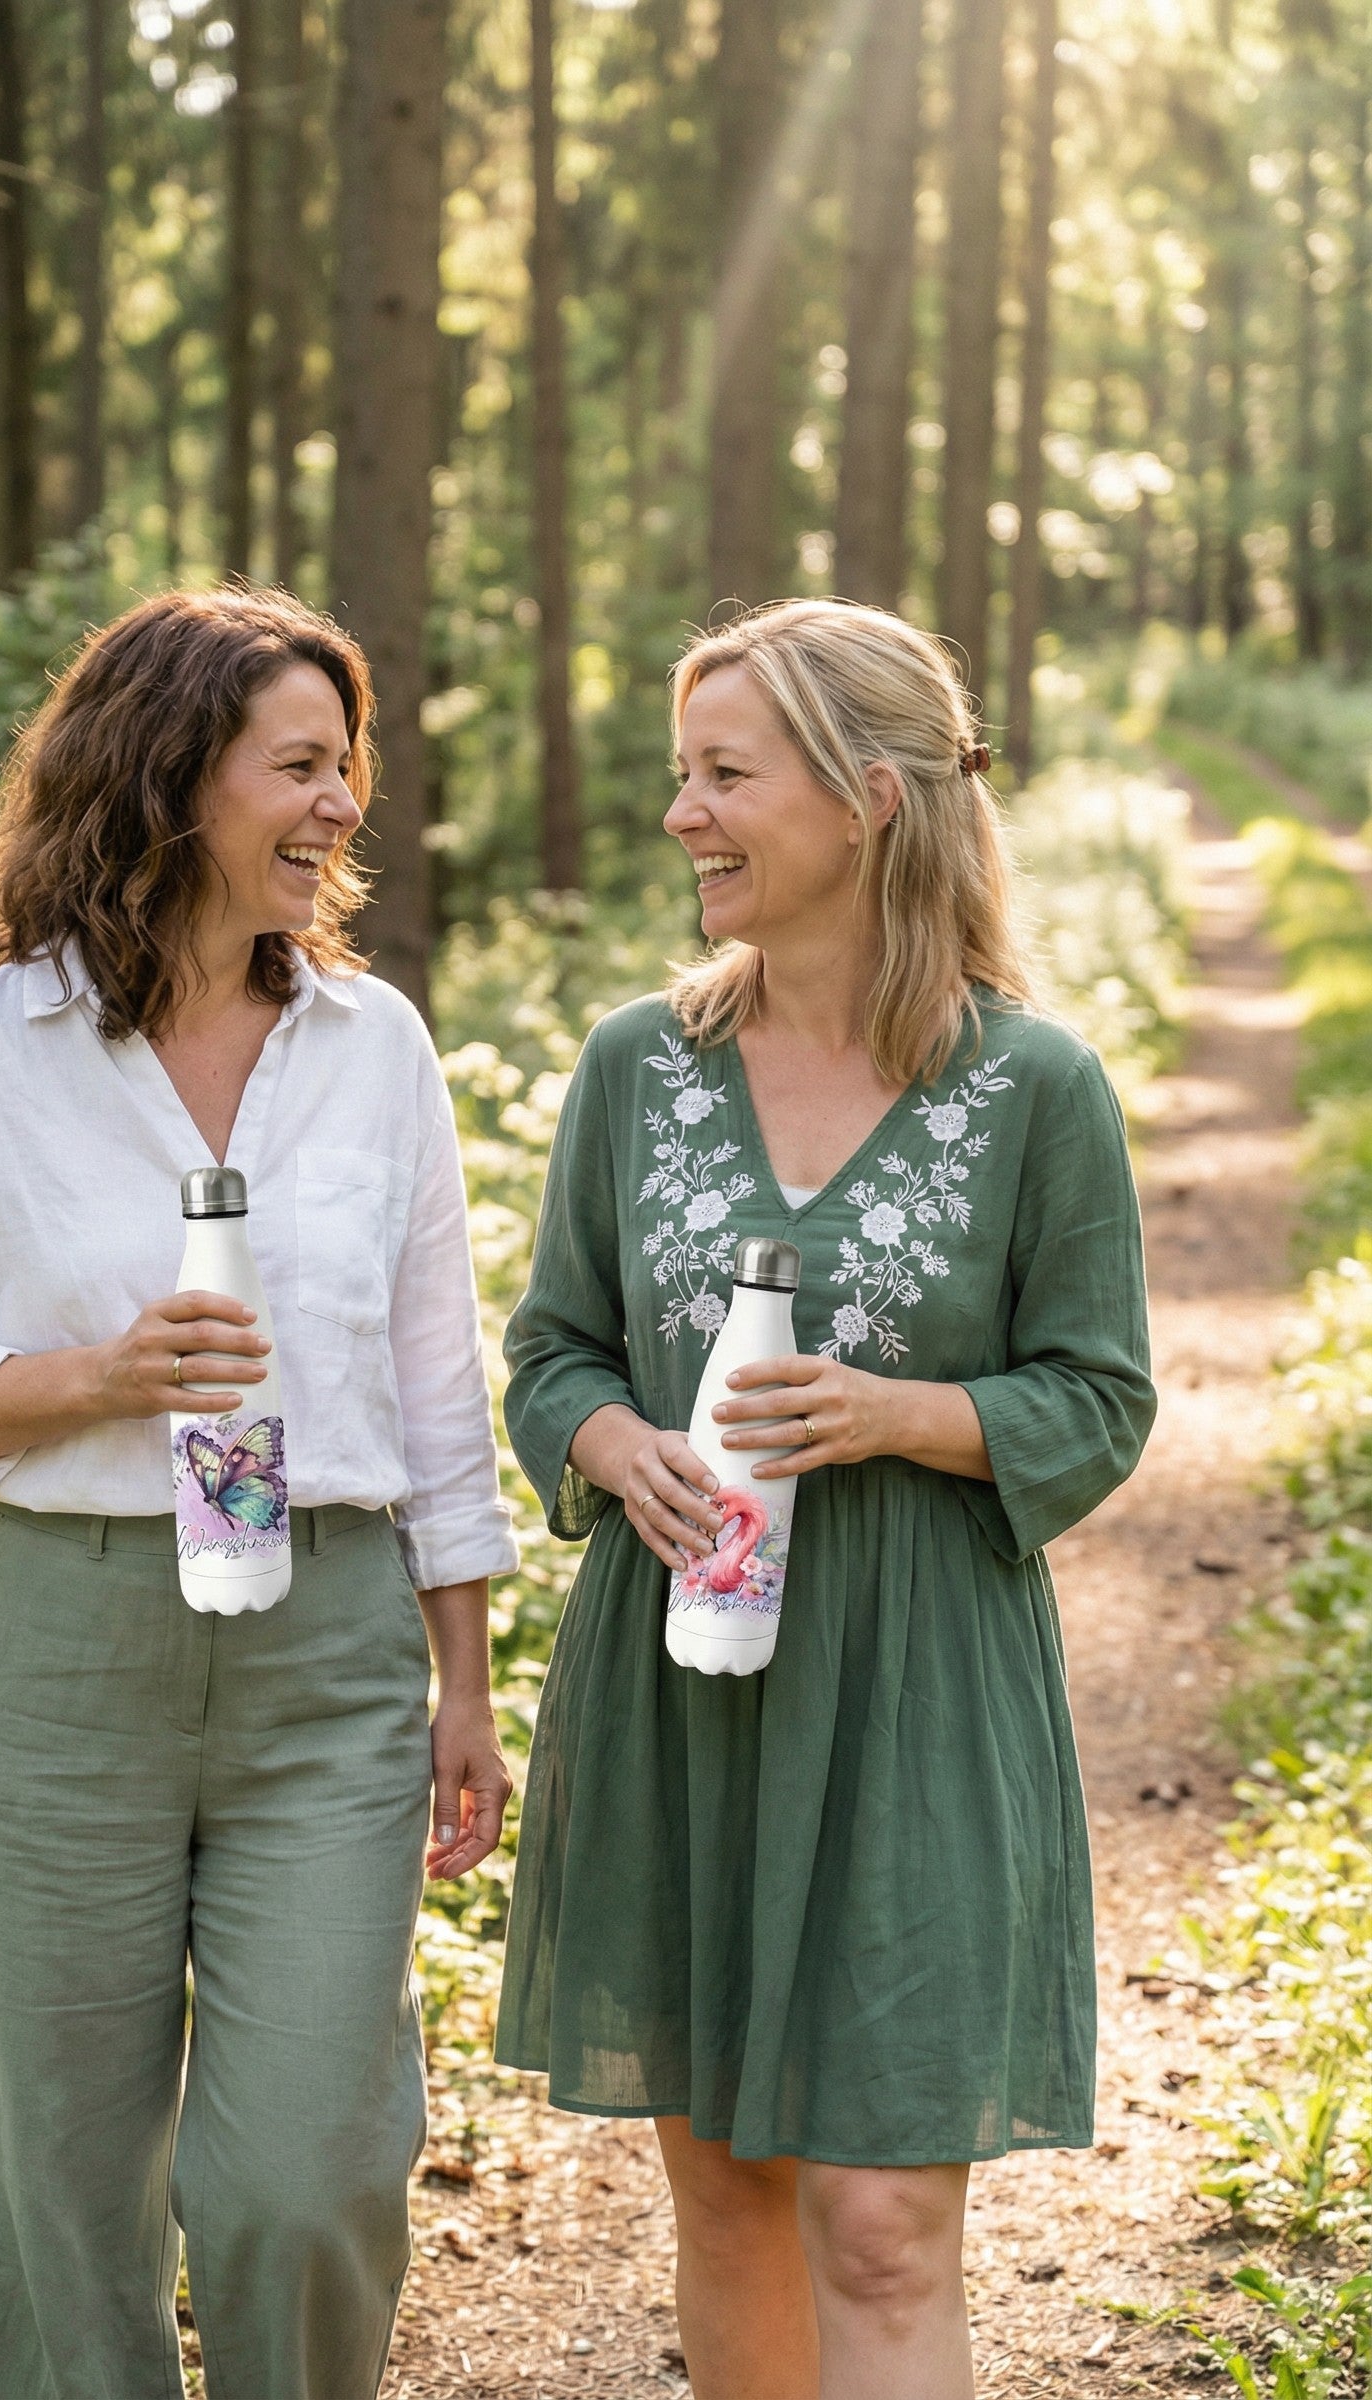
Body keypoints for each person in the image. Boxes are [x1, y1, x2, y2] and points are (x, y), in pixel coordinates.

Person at [0, 586, 516, 2400]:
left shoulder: (380, 1053)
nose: (343, 805)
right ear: (168, 778)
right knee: (54, 2198)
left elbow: (441, 1383)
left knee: (307, 2177)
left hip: (333, 1653)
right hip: (58, 1664)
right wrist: (91, 1382)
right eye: (300, 765)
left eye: (348, 769)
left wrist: (465, 1679)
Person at [494, 597, 1156, 2400]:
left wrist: (897, 1413)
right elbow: (554, 1347)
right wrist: (611, 1443)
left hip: (918, 1683)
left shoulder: (1036, 1088)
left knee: (877, 2220)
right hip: (679, 1675)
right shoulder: (642, 1066)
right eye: (679, 773)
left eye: (725, 774)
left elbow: (1100, 1403)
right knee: (727, 2196)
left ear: (869, 797)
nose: (681, 814)